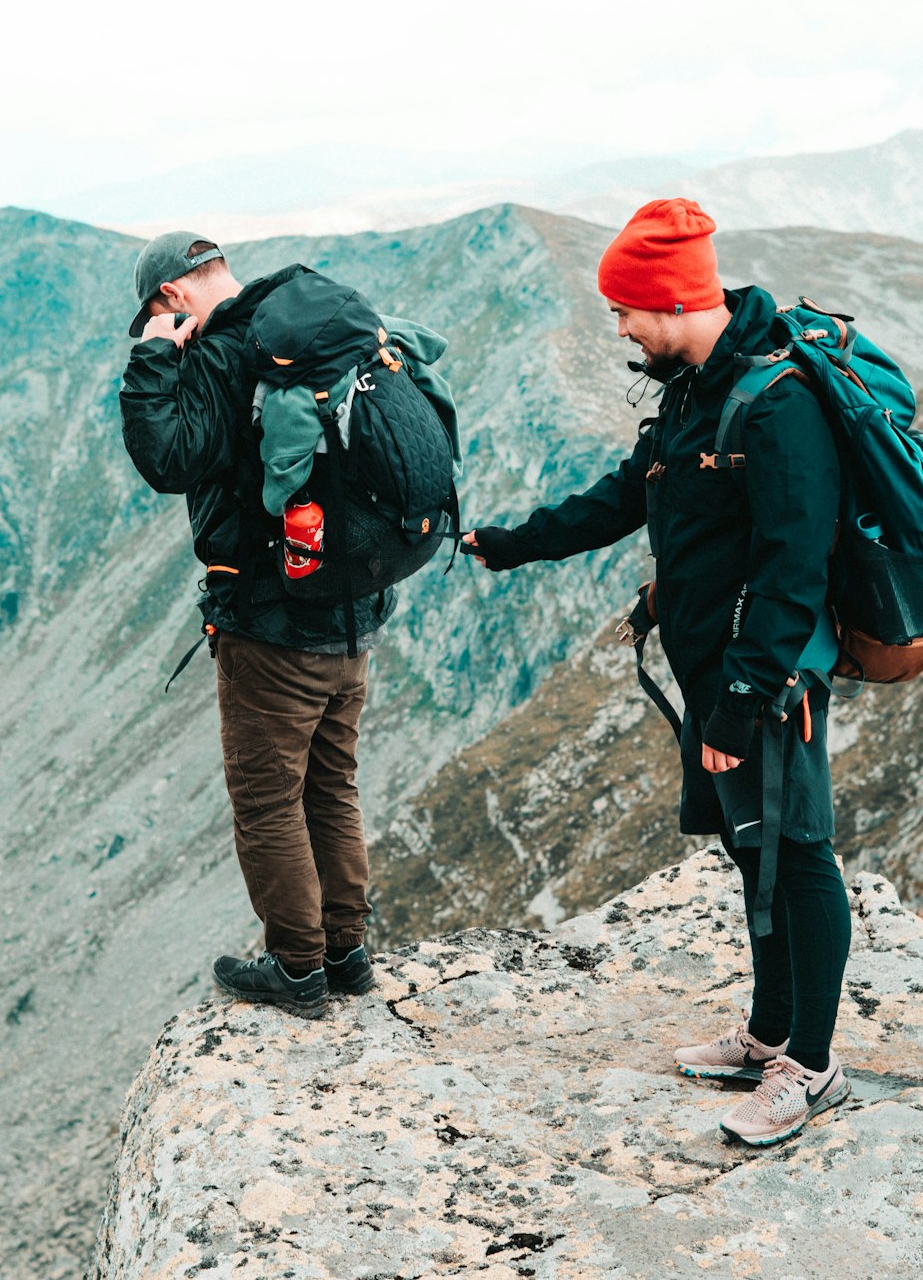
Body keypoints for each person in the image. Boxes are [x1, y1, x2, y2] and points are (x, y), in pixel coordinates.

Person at [465, 198, 853, 1146]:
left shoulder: (780, 402)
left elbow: (795, 568)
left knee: (797, 855)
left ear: (673, 302)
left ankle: (813, 1063)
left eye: (627, 313)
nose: (622, 329)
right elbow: (629, 496)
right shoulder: (690, 389)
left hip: (764, 686)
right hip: (713, 671)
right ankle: (767, 1035)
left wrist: (737, 706)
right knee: (750, 851)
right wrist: (515, 544)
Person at [120, 231, 387, 1018]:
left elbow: (168, 460)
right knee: (332, 787)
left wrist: (152, 360)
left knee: (270, 801)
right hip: (353, 611)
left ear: (171, 296)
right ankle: (347, 954)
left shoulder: (222, 354)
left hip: (272, 628)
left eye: (154, 313)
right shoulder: (307, 323)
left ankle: (297, 970)